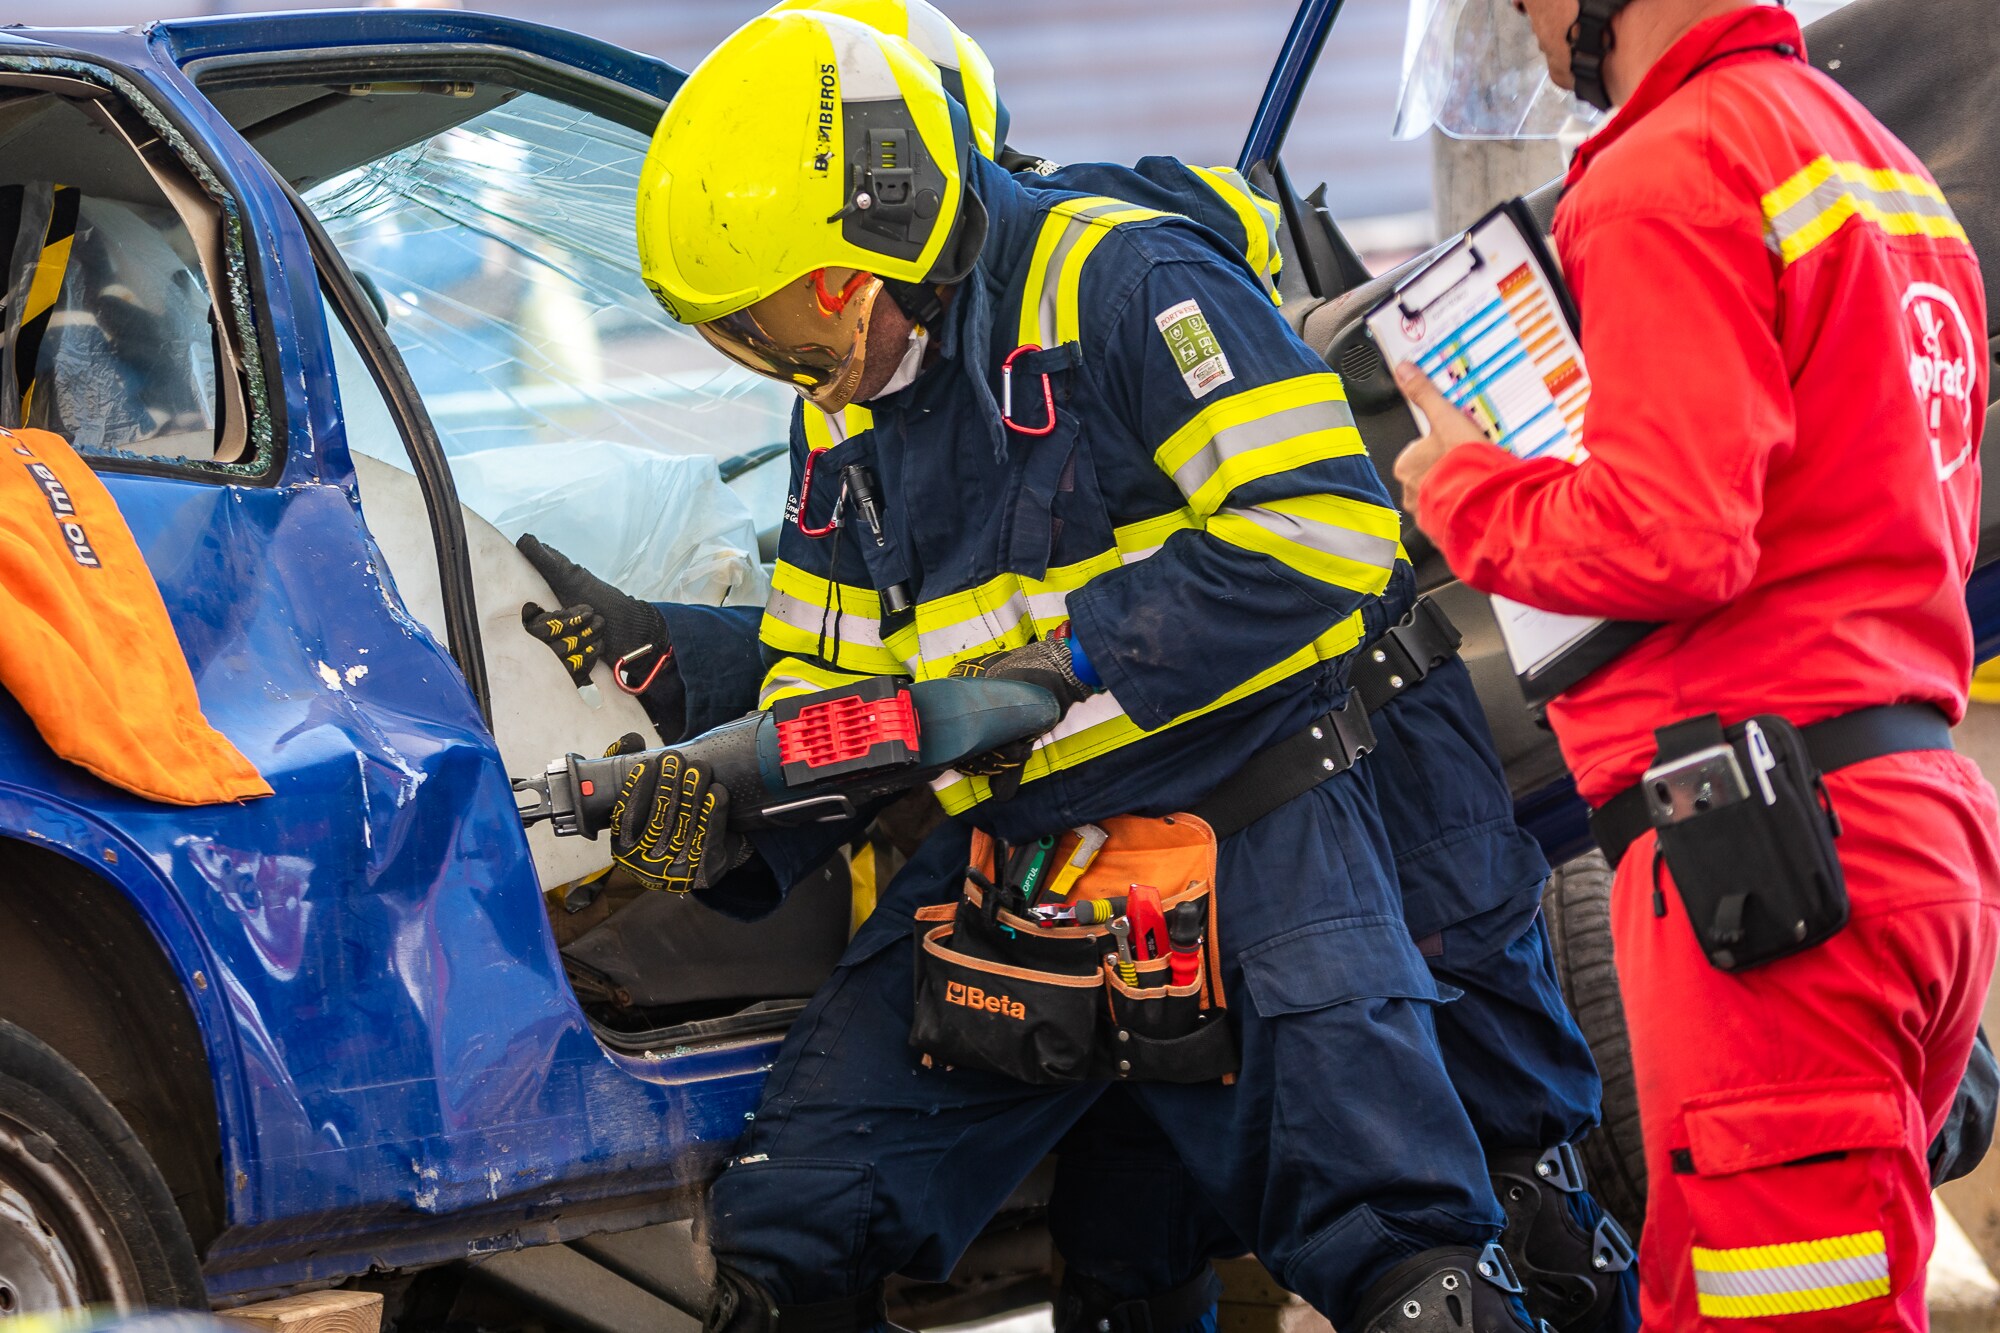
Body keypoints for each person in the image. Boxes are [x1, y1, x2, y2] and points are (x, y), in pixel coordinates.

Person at [612, 8, 1550, 1331]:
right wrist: (732, 796)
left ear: (884, 230)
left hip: (1246, 839)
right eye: (748, 343)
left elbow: (1326, 533)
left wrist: (1060, 667)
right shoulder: (847, 409)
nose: (799, 378)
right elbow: (819, 690)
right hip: (1021, 868)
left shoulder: (1126, 285)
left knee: (1411, 1273)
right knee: (782, 1253)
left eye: (790, 328)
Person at [1391, 0, 1995, 1327]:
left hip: (1767, 860)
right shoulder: (1875, 168)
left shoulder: (1674, 170)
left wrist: (1463, 491)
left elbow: (1674, 532)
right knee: (1724, 1288)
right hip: (1907, 826)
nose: (1531, 21)